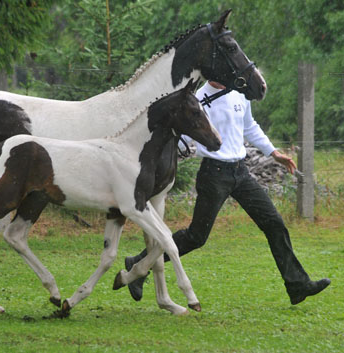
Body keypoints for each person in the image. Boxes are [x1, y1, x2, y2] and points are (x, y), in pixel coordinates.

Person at [124, 80, 330, 305]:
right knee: (196, 237)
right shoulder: (199, 99)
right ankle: (139, 265)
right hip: (214, 174)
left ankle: (298, 285)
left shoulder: (239, 93)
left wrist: (273, 153)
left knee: (273, 223)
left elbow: (249, 126)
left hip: (241, 172)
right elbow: (182, 132)